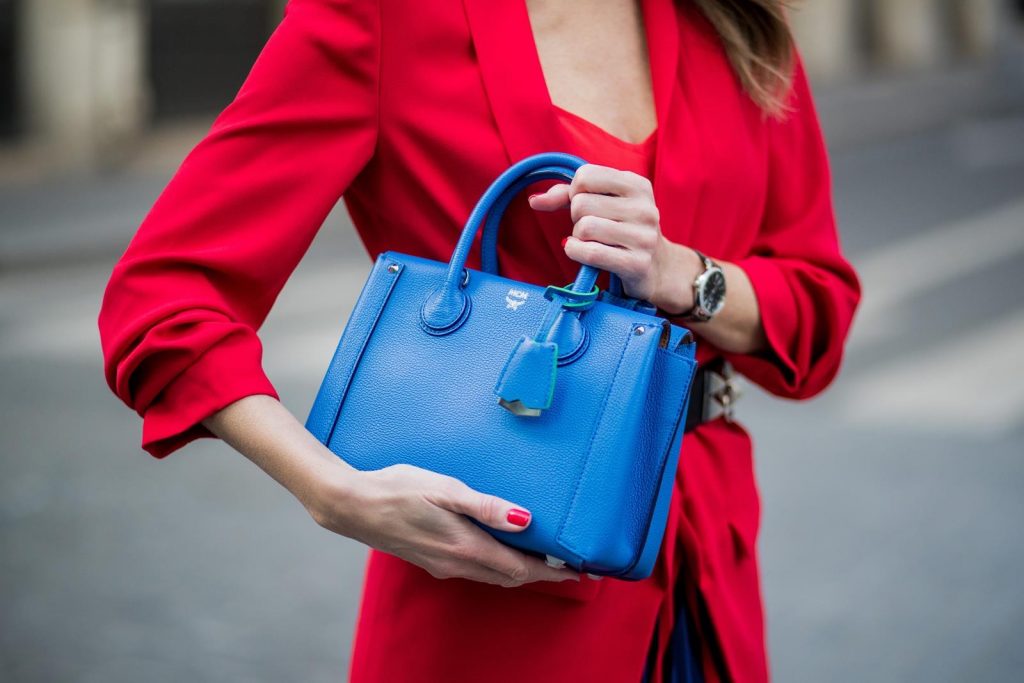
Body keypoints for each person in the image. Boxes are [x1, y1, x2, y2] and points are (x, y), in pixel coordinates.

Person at [97, 0, 861, 680]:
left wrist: (683, 276)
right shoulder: (380, 16)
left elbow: (818, 311)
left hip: (703, 567)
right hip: (489, 589)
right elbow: (165, 295)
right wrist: (330, 489)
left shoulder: (736, 19)